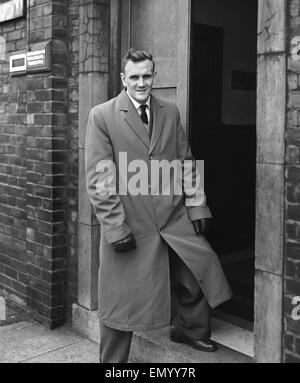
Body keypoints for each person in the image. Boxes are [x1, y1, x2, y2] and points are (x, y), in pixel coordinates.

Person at [85, 48, 232, 363]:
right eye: (134, 77)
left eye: (147, 76)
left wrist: (197, 206)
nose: (141, 83)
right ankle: (112, 364)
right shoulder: (102, 115)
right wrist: (114, 226)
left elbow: (185, 162)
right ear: (124, 79)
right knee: (119, 302)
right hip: (131, 221)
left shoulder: (170, 111)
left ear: (154, 76)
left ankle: (190, 330)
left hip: (172, 215)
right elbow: (99, 178)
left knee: (196, 270)